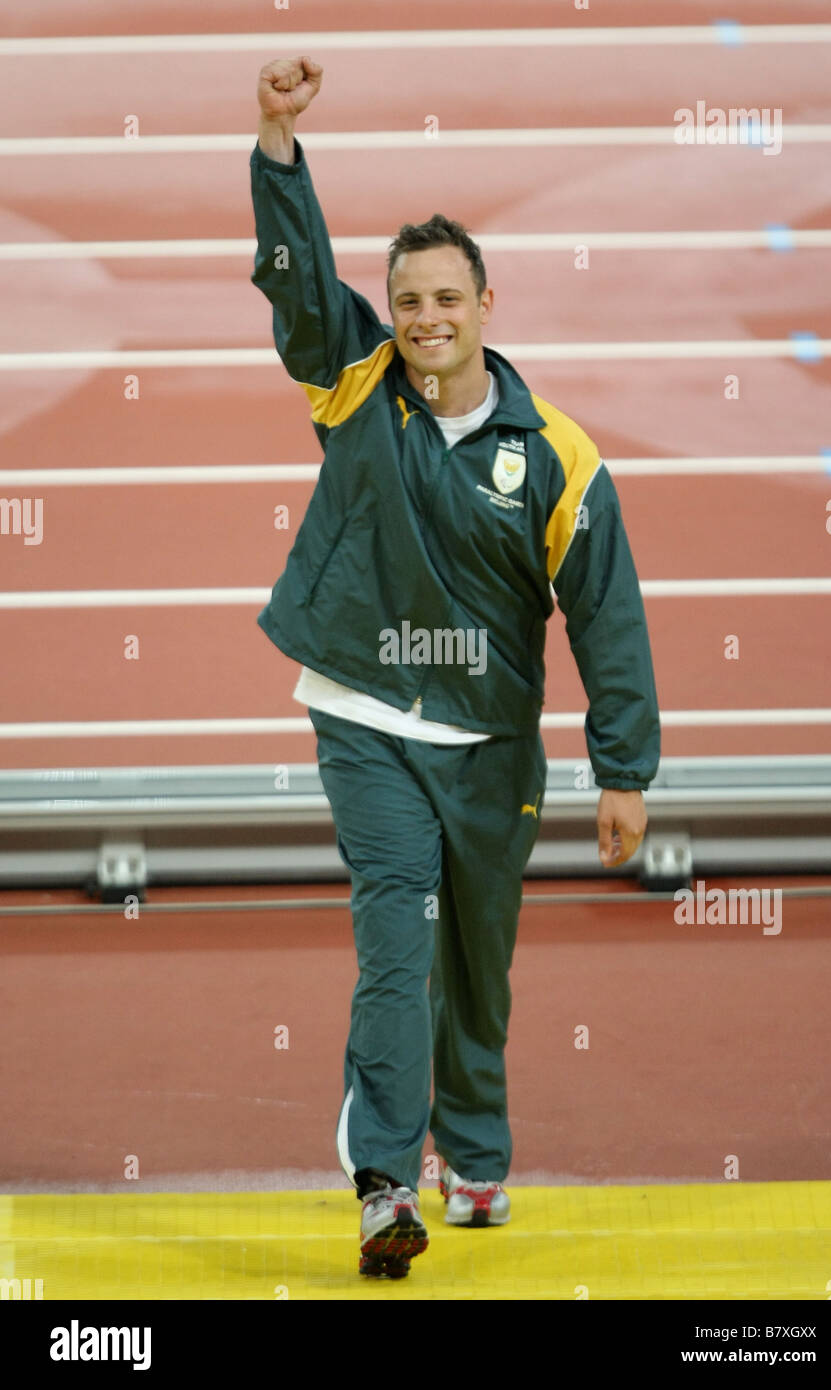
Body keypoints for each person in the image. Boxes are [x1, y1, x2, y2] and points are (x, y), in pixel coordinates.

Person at [251, 56, 660, 1280]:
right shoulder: (354, 380)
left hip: (488, 748)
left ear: (486, 303)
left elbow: (607, 617)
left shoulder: (558, 458)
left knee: (476, 961)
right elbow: (297, 282)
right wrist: (277, 144)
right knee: (397, 939)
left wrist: (623, 771)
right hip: (365, 719)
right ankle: (384, 1180)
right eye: (407, 299)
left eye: (445, 298)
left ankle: (472, 1153)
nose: (424, 318)